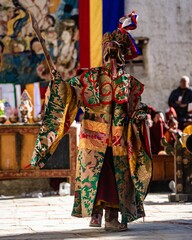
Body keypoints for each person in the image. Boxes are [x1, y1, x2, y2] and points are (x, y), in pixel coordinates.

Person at [30, 12, 152, 231]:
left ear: (123, 57)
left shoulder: (130, 83)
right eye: (109, 54)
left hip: (119, 139)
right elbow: (70, 93)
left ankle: (112, 217)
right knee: (94, 176)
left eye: (116, 54)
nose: (112, 59)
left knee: (115, 177)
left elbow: (136, 107)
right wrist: (59, 84)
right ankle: (95, 214)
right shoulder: (90, 77)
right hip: (92, 137)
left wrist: (141, 116)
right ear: (104, 54)